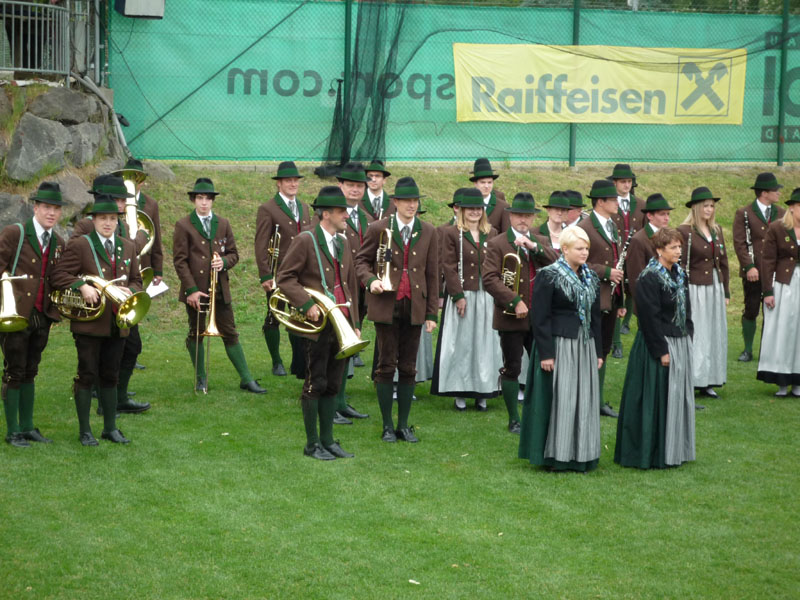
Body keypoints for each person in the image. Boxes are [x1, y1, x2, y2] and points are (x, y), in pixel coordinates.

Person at [50, 194, 144, 445]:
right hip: (89, 325)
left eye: (112, 218)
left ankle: (110, 428)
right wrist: (81, 285)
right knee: (87, 375)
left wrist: (130, 291)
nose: (108, 223)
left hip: (118, 323)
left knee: (111, 375)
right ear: (93, 220)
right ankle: (85, 431)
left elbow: (137, 280)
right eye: (103, 218)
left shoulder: (128, 246)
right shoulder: (81, 245)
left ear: (118, 221)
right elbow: (58, 274)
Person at [276, 186, 362, 460]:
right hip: (317, 326)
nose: (346, 215)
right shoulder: (305, 240)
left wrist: (354, 323)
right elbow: (285, 277)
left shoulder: (343, 242)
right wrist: (306, 304)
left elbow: (350, 286)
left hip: (341, 324)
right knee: (316, 382)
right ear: (326, 214)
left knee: (333, 384)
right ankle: (312, 444)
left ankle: (328, 440)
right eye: (341, 211)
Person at [355, 176, 439, 443]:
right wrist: (371, 280)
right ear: (395, 202)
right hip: (386, 304)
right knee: (386, 365)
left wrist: (431, 313)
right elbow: (361, 262)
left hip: (415, 305)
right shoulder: (378, 228)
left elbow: (432, 274)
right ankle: (387, 425)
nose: (412, 205)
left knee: (409, 367)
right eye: (406, 201)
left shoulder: (428, 231)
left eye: (415, 201)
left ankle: (403, 425)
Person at [518, 226, 602, 472]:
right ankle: (557, 454)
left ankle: (581, 453)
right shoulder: (549, 275)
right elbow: (540, 317)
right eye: (579, 248)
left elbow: (595, 316)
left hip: (584, 344)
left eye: (586, 248)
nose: (584, 253)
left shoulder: (591, 277)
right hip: (560, 344)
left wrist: (598, 350)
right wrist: (546, 353)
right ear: (565, 249)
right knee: (562, 398)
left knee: (583, 398)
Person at [173, 178, 266, 395]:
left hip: (220, 290)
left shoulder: (223, 223)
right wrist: (191, 290)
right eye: (200, 198)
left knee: (230, 332)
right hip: (196, 290)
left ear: (213, 201)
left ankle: (246, 378)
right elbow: (180, 261)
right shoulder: (183, 225)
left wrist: (223, 262)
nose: (204, 202)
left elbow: (234, 254)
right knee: (196, 332)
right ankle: (200, 378)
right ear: (193, 200)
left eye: (208, 198)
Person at [614, 228, 695, 470]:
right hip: (658, 343)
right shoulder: (649, 278)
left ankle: (676, 448)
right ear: (659, 250)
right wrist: (662, 350)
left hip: (679, 339)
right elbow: (649, 318)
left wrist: (688, 335)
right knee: (655, 397)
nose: (678, 251)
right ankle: (653, 451)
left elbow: (686, 309)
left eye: (679, 247)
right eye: (673, 247)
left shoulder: (680, 274)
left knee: (678, 396)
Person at [72, 173, 151, 415]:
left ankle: (119, 395)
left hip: (121, 301)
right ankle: (106, 399)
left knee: (132, 347)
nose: (122, 204)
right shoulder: (86, 225)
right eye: (118, 199)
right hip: (98, 302)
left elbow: (129, 255)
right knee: (98, 356)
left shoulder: (122, 224)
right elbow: (76, 259)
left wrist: (131, 288)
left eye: (123, 200)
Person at [483, 193, 557, 434]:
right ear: (511, 216)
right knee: (512, 366)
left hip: (540, 316)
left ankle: (541, 412)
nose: (523, 220)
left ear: (534, 218)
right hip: (510, 316)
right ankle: (514, 418)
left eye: (528, 216)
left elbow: (556, 264)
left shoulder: (541, 240)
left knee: (545, 364)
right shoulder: (498, 243)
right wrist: (514, 301)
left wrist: (535, 247)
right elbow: (490, 279)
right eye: (519, 215)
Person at [0, 182, 66, 447]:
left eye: (56, 209)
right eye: (46, 207)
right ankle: (13, 431)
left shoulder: (58, 242)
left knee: (31, 370)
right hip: (15, 315)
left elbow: (57, 278)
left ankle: (27, 426)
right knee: (14, 371)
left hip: (42, 317)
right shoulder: (15, 233)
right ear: (35, 207)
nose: (51, 213)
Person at [432, 188, 502, 413]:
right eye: (470, 208)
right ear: (461, 210)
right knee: (462, 344)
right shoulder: (452, 233)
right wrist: (458, 296)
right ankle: (460, 392)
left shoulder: (492, 233)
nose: (474, 212)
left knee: (485, 344)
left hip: (487, 296)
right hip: (464, 294)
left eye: (478, 208)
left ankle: (483, 392)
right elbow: (448, 266)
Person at [111, 158, 164, 407]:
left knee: (131, 332)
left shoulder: (150, 204)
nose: (135, 182)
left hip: (139, 268)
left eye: (137, 178)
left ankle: (117, 392)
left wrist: (158, 269)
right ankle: (109, 392)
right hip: (119, 270)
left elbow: (157, 236)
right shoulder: (110, 211)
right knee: (119, 339)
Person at [255, 161, 312, 377]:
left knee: (299, 315)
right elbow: (261, 244)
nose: (293, 184)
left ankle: (299, 363)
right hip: (278, 273)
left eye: (295, 180)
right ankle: (276, 361)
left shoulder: (304, 207)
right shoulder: (267, 208)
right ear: (279, 183)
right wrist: (265, 274)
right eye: (288, 180)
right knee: (274, 316)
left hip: (302, 273)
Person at [579, 180, 627, 417]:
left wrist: (621, 300)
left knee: (604, 348)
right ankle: (587, 398)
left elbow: (618, 259)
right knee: (592, 348)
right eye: (613, 199)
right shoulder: (585, 227)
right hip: (593, 296)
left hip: (611, 297)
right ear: (600, 202)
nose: (618, 202)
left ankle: (597, 399)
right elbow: (578, 262)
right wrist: (607, 272)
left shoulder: (612, 226)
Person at [678, 187, 730, 399]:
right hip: (695, 287)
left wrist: (726, 291)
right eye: (706, 206)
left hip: (715, 286)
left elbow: (723, 262)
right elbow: (680, 263)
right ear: (696, 207)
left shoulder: (716, 230)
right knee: (697, 331)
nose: (709, 209)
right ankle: (693, 378)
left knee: (714, 331)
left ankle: (710, 379)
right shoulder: (685, 231)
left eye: (712, 206)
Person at [732, 172, 785, 362]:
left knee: (772, 310)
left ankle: (768, 350)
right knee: (751, 308)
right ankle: (747, 349)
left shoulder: (782, 213)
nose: (779, 193)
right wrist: (749, 266)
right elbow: (739, 243)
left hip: (775, 271)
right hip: (753, 272)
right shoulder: (744, 213)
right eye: (775, 190)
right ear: (764, 193)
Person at [333, 162, 371, 420]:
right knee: (332, 348)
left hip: (360, 291)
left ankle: (340, 400)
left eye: (360, 186)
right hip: (337, 291)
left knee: (347, 344)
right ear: (340, 186)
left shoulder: (367, 218)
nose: (355, 190)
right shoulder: (328, 215)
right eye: (350, 185)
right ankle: (329, 401)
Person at [757, 188, 800, 397]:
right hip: (785, 284)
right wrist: (768, 291)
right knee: (783, 329)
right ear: (791, 207)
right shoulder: (777, 228)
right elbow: (767, 261)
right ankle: (782, 380)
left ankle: (798, 381)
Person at [611, 163, 645, 348]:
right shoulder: (609, 203)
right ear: (615, 183)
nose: (626, 185)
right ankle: (616, 340)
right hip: (614, 254)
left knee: (634, 289)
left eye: (629, 182)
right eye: (623, 181)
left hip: (635, 255)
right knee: (616, 293)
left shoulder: (641, 204)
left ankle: (629, 323)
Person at [626, 193, 673, 308]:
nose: (666, 218)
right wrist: (645, 305)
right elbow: (636, 277)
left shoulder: (670, 236)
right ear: (649, 216)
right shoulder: (639, 240)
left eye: (668, 214)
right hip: (650, 302)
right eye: (662, 214)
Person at [470, 158, 509, 233]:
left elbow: (505, 233)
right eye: (482, 182)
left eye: (489, 182)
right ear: (475, 183)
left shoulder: (503, 206)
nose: (486, 186)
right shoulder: (466, 202)